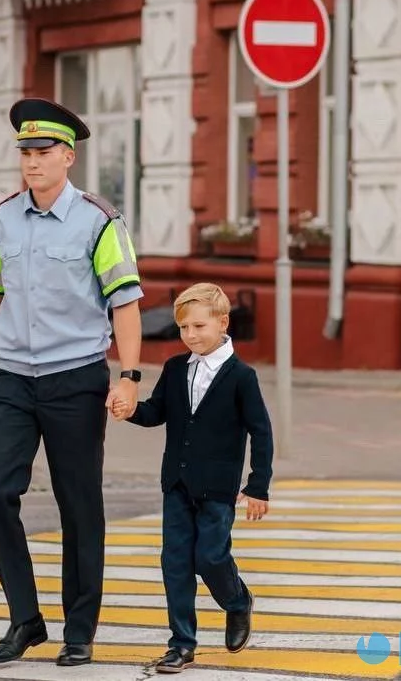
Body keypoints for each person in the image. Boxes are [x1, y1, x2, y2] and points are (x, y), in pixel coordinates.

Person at [0, 97, 144, 667]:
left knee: (79, 504)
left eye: (43, 151)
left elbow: (126, 303)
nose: (32, 161)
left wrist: (130, 376)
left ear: (68, 156)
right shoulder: (0, 219)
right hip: (13, 378)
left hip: (76, 379)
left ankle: (79, 629)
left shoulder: (99, 220)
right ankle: (25, 619)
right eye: (25, 151)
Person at [111, 282, 273, 674]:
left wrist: (257, 487)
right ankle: (181, 644)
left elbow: (261, 431)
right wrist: (128, 408)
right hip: (178, 486)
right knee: (176, 563)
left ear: (222, 323)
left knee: (210, 557)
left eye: (199, 327)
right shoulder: (174, 368)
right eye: (184, 328)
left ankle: (237, 601)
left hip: (218, 490)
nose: (191, 335)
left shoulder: (241, 376)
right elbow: (156, 412)